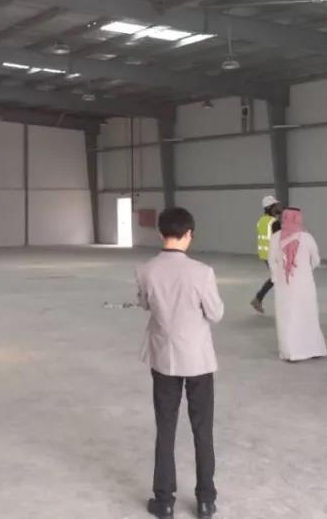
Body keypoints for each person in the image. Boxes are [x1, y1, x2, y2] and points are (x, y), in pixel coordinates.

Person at [136, 207, 223, 519]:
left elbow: (145, 304)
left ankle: (164, 501)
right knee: (203, 429)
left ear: (161, 233)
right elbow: (216, 313)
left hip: (163, 359)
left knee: (165, 428)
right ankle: (205, 500)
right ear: (189, 234)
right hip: (198, 359)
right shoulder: (202, 272)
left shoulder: (145, 270)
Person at [267, 208, 327, 362]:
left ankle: (291, 352)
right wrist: (305, 270)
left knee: (287, 317)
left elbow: (272, 261)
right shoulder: (307, 237)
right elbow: (316, 260)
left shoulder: (275, 238)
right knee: (308, 315)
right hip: (305, 285)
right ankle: (313, 349)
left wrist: (277, 277)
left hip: (284, 286)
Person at [250, 194, 282, 314]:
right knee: (278, 278)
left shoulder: (261, 221)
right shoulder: (274, 222)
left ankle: (258, 299)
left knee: (276, 277)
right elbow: (281, 240)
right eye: (276, 205)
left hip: (265, 254)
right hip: (273, 255)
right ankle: (258, 299)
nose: (278, 207)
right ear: (270, 208)